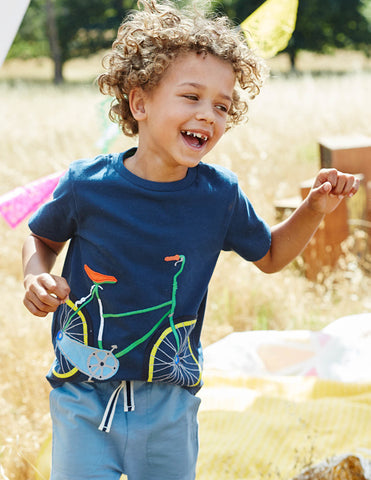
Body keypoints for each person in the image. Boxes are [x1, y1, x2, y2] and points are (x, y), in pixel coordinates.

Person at [22, 1, 360, 479]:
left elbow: (270, 255)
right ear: (139, 103)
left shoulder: (218, 195)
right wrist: (36, 277)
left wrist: (313, 210)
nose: (208, 114)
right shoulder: (87, 185)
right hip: (83, 397)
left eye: (221, 106)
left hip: (171, 404)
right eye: (192, 97)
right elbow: (40, 237)